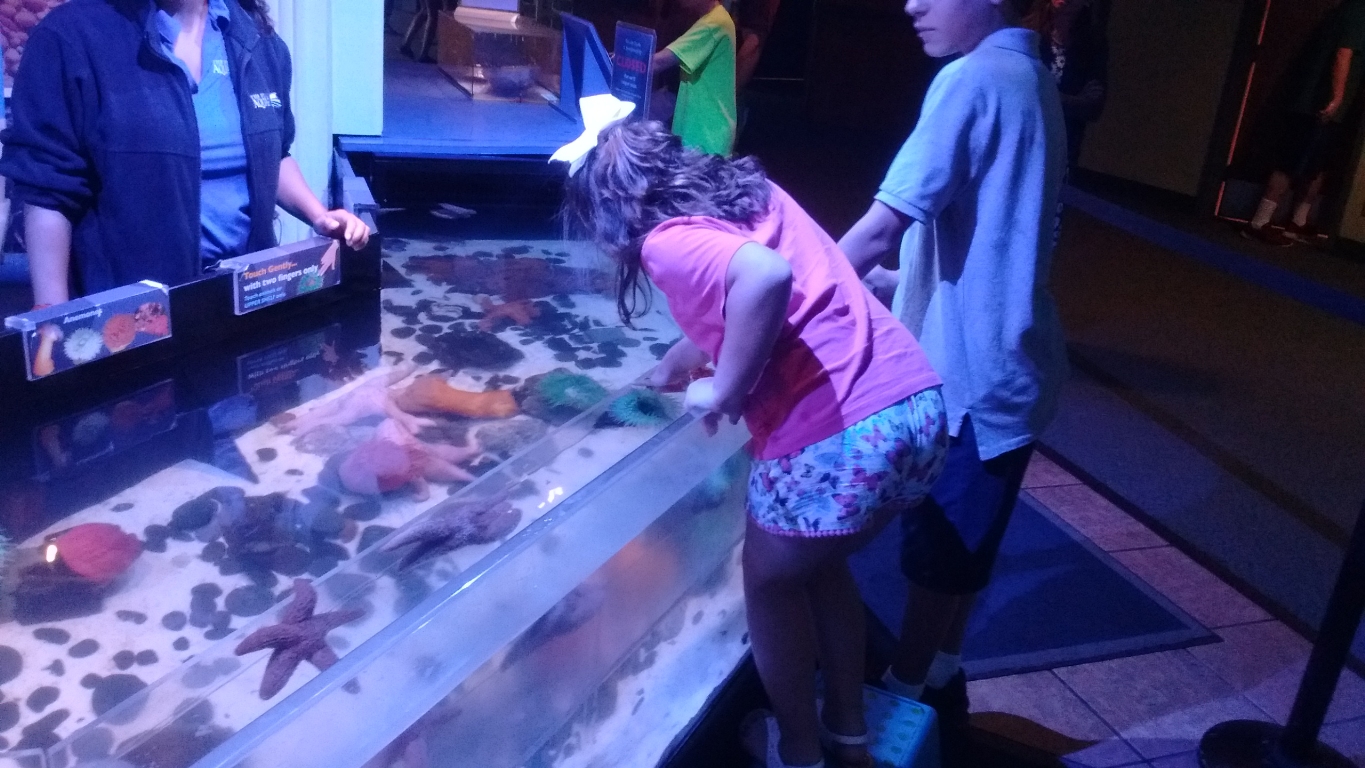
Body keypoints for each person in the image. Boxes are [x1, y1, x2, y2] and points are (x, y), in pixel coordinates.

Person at [558, 105, 947, 768]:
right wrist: (681, 360)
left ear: (611, 210)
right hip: (912, 406)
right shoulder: (753, 193)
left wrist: (725, 388)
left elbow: (764, 278)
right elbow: (774, 288)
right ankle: (848, 736)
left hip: (838, 437)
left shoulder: (663, 241)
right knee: (819, 567)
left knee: (765, 582)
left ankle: (797, 750)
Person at [837, 0, 1066, 763]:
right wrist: (894, 287)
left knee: (937, 552)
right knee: (964, 555)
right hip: (1013, 371)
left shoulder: (974, 78)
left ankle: (900, 703)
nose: (910, 3)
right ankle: (939, 678)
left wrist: (789, 299)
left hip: (968, 381)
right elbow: (990, 241)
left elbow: (881, 225)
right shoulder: (1031, 73)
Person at [0, 0, 370, 307]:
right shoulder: (71, 37)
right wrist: (51, 313)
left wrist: (318, 215)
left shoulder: (257, 39)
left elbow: (273, 157)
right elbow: (48, 189)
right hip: (133, 312)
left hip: (247, 297)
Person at [1243, 0, 1365, 247]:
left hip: (1328, 109)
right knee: (1291, 162)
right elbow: (1343, 53)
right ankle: (1259, 222)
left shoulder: (1351, 11)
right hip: (1316, 105)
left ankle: (1297, 222)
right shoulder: (1358, 11)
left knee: (1317, 166)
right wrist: (1336, 97)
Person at [1024, 0, 1108, 167]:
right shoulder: (1029, 32)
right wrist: (1074, 100)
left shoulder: (1093, 43)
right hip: (1024, 138)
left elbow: (1093, 108)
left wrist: (1050, 97)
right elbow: (1025, 92)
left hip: (1064, 150)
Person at [650, 0, 737, 156]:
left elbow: (658, 62)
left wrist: (621, 60)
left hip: (707, 134)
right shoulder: (713, 19)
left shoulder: (714, 23)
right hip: (704, 130)